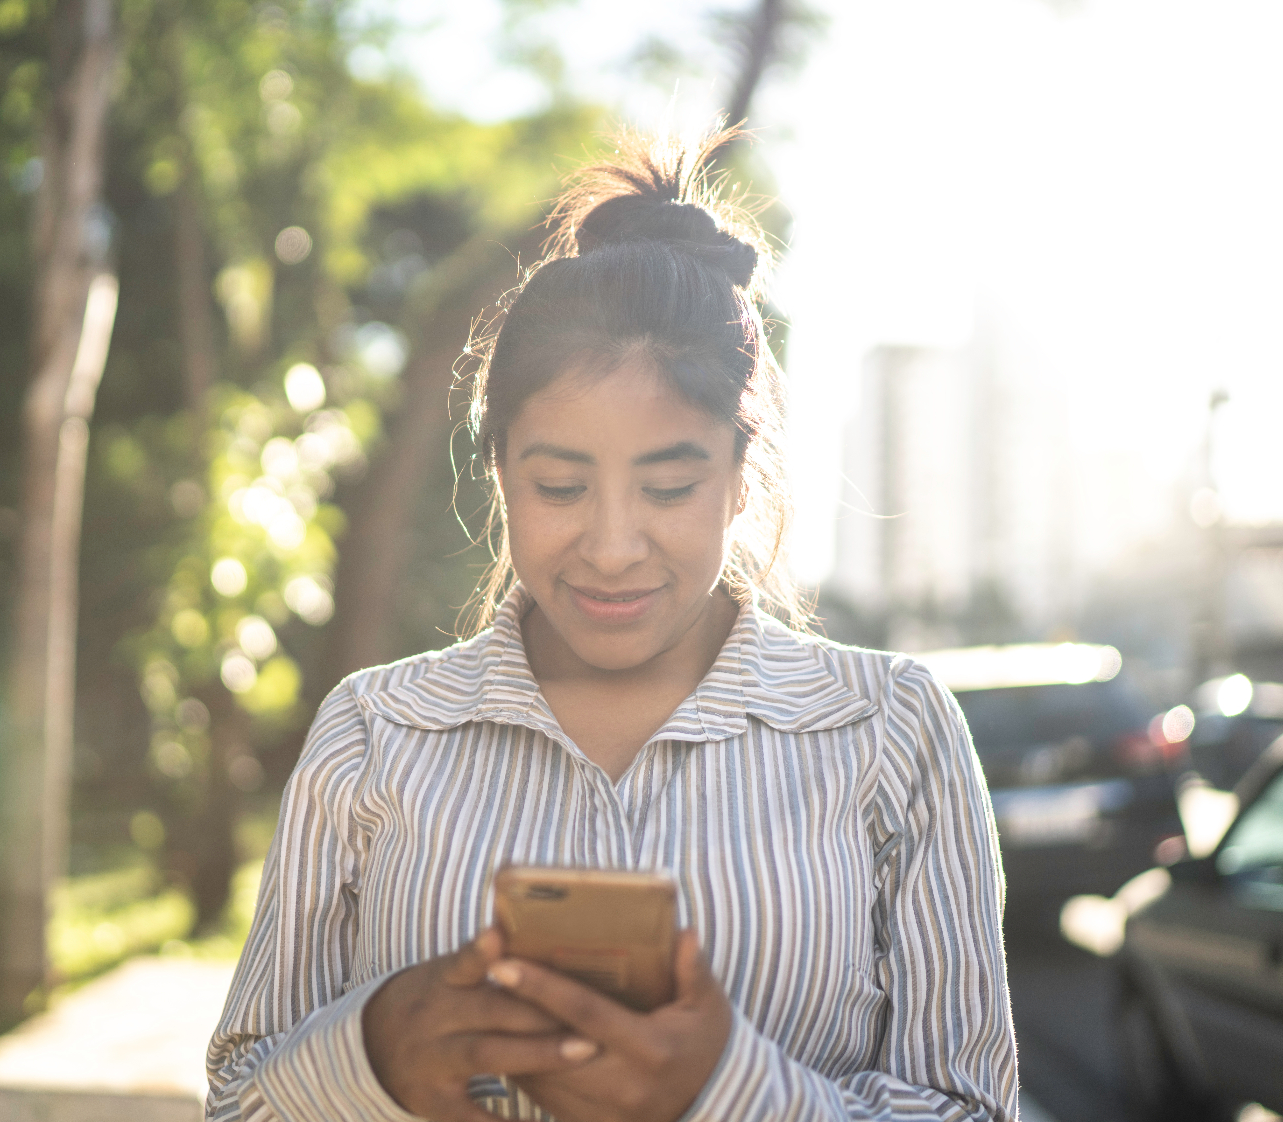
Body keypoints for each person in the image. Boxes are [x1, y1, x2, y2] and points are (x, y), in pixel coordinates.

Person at [205, 128, 1017, 1122]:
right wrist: (370, 1058)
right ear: (500, 471)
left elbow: (971, 1106)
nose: (614, 546)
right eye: (559, 485)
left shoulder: (890, 729)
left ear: (741, 476)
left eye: (670, 487)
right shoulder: (374, 731)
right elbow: (237, 1100)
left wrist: (731, 1090)